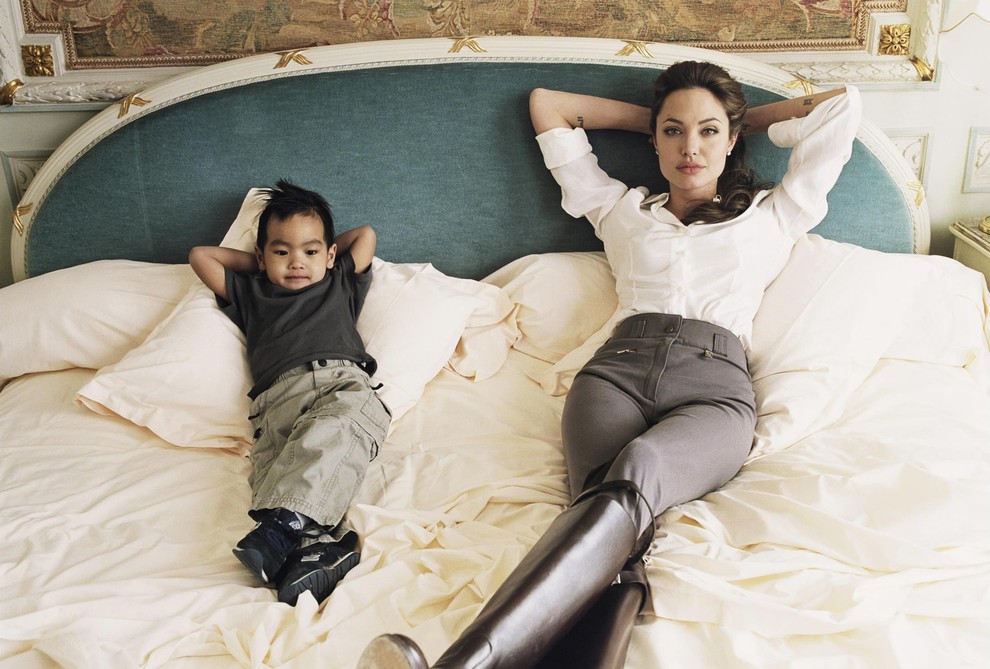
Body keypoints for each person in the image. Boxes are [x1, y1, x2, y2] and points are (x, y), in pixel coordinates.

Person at [358, 61, 861, 668]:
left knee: (634, 471)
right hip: (614, 377)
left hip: (713, 392)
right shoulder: (621, 210)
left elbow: (839, 105)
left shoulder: (773, 215)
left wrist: (742, 120)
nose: (690, 148)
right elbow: (548, 106)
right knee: (609, 527)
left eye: (708, 132)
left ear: (732, 140)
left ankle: (466, 661)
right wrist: (662, 119)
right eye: (673, 132)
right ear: (654, 140)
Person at [189, 179, 391, 606]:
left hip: (339, 382)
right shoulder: (252, 292)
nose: (297, 262)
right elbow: (200, 256)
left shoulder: (339, 281)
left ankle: (284, 532)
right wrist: (260, 264)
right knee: (282, 472)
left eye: (310, 252)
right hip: (276, 399)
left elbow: (366, 235)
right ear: (262, 256)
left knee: (341, 429)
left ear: (330, 255)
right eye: (282, 252)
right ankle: (316, 551)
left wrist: (319, 254)